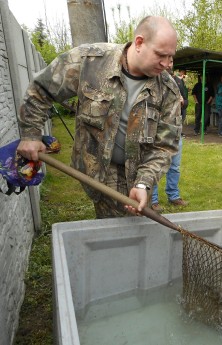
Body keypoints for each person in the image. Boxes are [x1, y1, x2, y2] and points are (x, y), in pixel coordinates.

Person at [16, 16, 181, 218]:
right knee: (120, 231)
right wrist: (31, 135)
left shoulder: (168, 90)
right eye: (160, 55)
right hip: (95, 169)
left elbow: (164, 146)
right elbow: (41, 89)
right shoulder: (90, 62)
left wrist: (143, 182)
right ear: (139, 43)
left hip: (137, 171)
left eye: (170, 57)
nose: (166, 64)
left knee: (125, 230)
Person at [151, 60, 188, 212]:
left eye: (171, 61)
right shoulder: (151, 81)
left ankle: (173, 195)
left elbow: (185, 101)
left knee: (175, 167)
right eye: (166, 61)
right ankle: (152, 199)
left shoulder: (178, 81)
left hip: (176, 131)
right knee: (154, 166)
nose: (168, 64)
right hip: (157, 131)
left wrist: (182, 102)